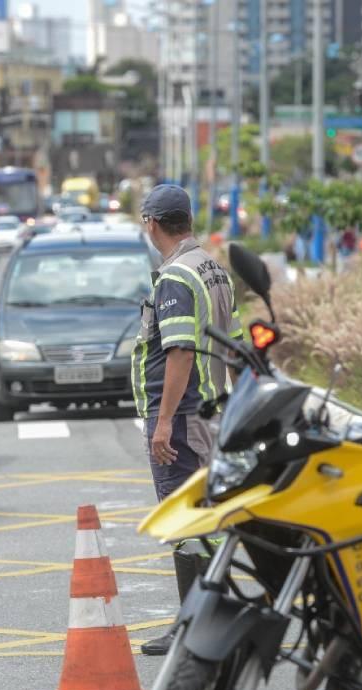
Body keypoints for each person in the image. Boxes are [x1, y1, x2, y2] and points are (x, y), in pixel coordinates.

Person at [133, 184, 243, 656]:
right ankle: (215, 617)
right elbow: (237, 345)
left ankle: (192, 627)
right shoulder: (213, 270)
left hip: (181, 419)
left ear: (152, 223)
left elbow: (178, 353)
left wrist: (162, 423)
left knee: (185, 524)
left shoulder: (178, 276)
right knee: (205, 520)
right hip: (210, 412)